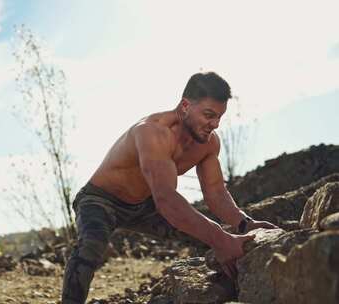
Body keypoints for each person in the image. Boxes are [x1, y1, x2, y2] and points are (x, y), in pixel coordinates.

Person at [61, 72, 278, 304]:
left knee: (207, 236)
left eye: (219, 117)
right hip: (100, 200)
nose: (214, 124)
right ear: (185, 106)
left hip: (144, 205)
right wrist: (220, 238)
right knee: (92, 245)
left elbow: (215, 192)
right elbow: (166, 199)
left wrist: (244, 223)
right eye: (208, 115)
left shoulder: (208, 143)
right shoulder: (152, 132)